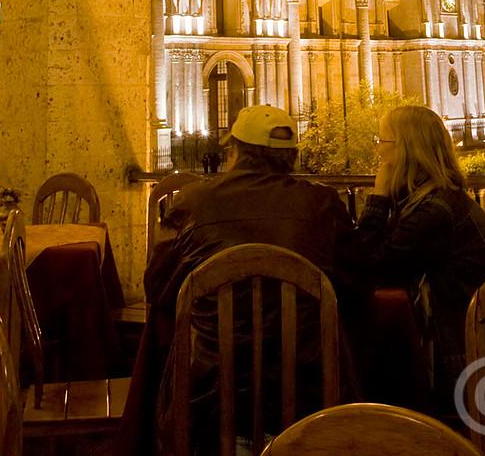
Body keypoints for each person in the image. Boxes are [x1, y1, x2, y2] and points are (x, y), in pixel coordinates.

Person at [140, 105, 354, 451]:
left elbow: (158, 288)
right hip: (309, 393)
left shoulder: (194, 203)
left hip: (209, 396)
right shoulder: (323, 204)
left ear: (236, 151)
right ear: (292, 157)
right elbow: (354, 285)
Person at [345, 105, 485, 413]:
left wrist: (377, 199)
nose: (378, 151)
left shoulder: (436, 211)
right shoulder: (436, 201)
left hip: (466, 365)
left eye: (383, 142)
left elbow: (368, 267)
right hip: (469, 353)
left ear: (406, 151)